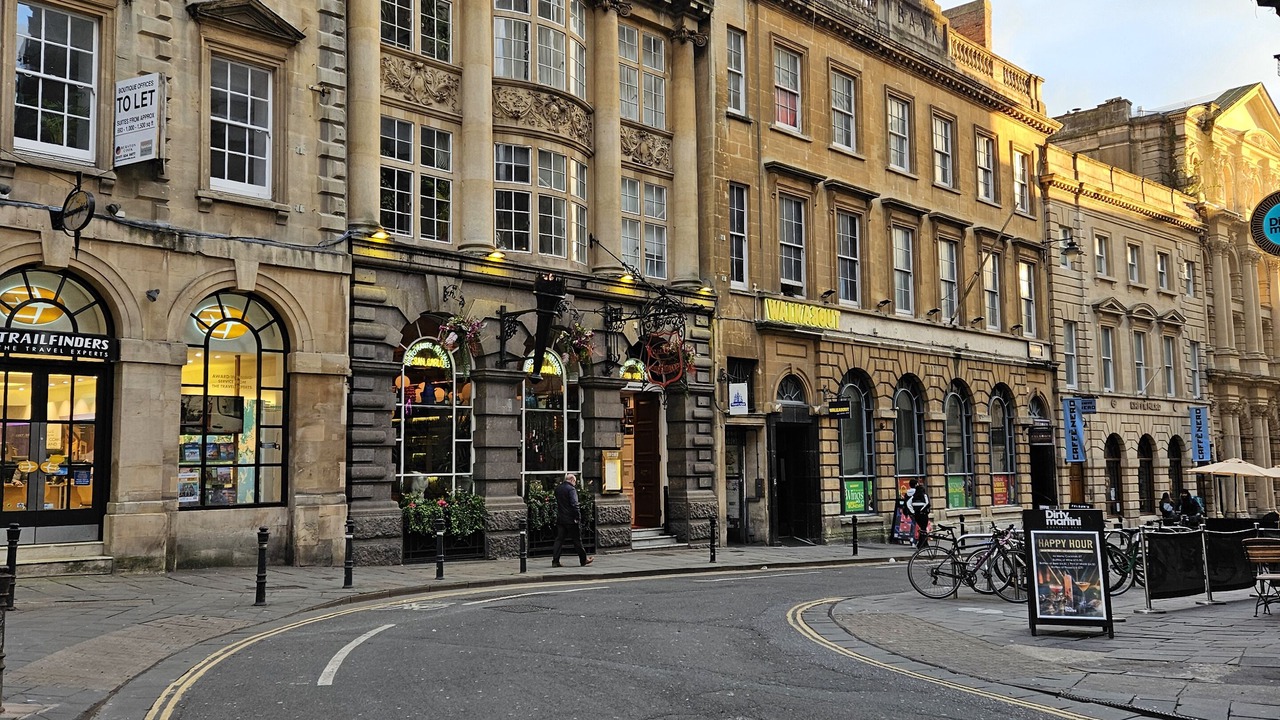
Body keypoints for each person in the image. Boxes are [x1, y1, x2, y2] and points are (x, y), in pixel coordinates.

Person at [552, 473, 593, 568]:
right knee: (577, 540)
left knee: (559, 540)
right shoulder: (571, 489)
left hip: (561, 519)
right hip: (571, 519)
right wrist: (577, 517)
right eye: (575, 481)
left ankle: (555, 561)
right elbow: (574, 504)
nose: (575, 483)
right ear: (572, 480)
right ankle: (583, 560)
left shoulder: (558, 489)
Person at [903, 479, 931, 548]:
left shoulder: (912, 495)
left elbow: (908, 503)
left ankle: (920, 542)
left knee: (917, 527)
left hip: (915, 514)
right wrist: (921, 510)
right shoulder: (924, 495)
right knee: (923, 528)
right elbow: (927, 503)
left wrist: (913, 511)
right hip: (923, 514)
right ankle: (921, 543)